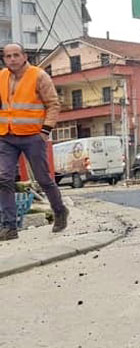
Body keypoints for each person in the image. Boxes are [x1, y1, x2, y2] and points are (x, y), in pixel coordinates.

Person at [0, 44, 67, 241]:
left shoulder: (39, 76)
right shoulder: (1, 77)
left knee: (44, 179)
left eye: (16, 55)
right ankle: (9, 227)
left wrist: (45, 131)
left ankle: (60, 211)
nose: (12, 59)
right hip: (6, 136)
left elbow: (53, 104)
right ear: (4, 59)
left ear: (24, 56)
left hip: (33, 136)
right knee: (4, 178)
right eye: (8, 56)